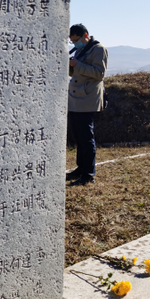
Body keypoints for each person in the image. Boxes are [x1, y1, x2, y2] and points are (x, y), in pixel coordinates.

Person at [67, 24, 108, 186]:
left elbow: (99, 73)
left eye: (76, 40)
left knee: (86, 137)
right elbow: (75, 72)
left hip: (88, 98)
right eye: (72, 41)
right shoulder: (80, 49)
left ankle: (88, 174)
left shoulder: (99, 49)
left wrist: (77, 65)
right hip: (75, 98)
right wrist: (71, 65)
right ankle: (80, 168)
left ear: (85, 35)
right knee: (78, 136)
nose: (75, 43)